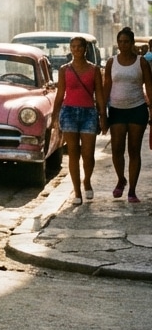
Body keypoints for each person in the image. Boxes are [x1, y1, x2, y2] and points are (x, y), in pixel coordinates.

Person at [52, 35, 106, 204]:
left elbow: (100, 95)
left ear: (85, 49)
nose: (76, 49)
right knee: (73, 154)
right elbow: (60, 95)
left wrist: (103, 116)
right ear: (70, 48)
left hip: (89, 113)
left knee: (88, 155)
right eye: (73, 46)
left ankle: (87, 181)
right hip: (68, 113)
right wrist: (55, 117)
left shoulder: (94, 70)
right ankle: (77, 192)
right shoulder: (64, 70)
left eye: (79, 47)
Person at [103, 26, 152, 203]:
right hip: (116, 110)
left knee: (134, 150)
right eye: (120, 42)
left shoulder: (141, 62)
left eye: (126, 42)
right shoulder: (111, 62)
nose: (123, 45)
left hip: (137, 109)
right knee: (116, 150)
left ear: (132, 43)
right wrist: (102, 113)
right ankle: (120, 179)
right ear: (118, 44)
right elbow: (106, 87)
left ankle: (132, 189)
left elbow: (149, 86)